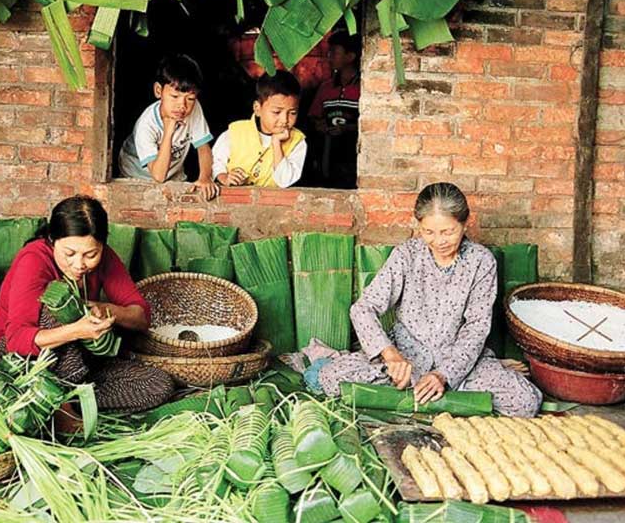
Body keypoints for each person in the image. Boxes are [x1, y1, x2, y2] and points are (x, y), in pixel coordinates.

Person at [316, 182, 542, 417]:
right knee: (331, 378)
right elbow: (363, 308)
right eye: (429, 232)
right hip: (406, 359)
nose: (439, 241)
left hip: (458, 362)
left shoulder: (481, 262)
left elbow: (476, 328)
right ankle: (444, 394)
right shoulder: (407, 255)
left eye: (448, 232)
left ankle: (446, 386)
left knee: (525, 402)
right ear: (419, 226)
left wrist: (444, 375)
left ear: (465, 224)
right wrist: (391, 356)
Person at [0, 195, 150, 358]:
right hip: (12, 358)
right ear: (52, 240)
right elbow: (16, 340)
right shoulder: (34, 260)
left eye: (91, 255)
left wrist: (104, 309)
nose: (79, 264)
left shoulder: (105, 257)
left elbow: (141, 317)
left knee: (159, 383)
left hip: (77, 356)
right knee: (55, 310)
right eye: (69, 253)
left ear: (102, 245)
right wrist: (76, 331)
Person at [118, 54, 219, 200]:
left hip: (174, 173)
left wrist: (205, 177)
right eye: (174, 96)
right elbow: (158, 176)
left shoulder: (194, 108)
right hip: (136, 175)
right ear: (158, 91)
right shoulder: (146, 125)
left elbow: (203, 147)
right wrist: (168, 131)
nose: (182, 106)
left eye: (190, 98)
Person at [211, 70, 307, 189]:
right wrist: (223, 177)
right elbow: (215, 161)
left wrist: (276, 144)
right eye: (277, 112)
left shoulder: (298, 142)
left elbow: (284, 181)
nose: (284, 120)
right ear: (257, 108)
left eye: (292, 113)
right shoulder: (236, 132)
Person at [307, 30, 360, 188]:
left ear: (350, 57)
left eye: (334, 52)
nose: (329, 57)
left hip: (354, 157)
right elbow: (313, 116)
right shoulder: (326, 87)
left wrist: (347, 128)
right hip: (328, 156)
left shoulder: (364, 88)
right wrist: (319, 124)